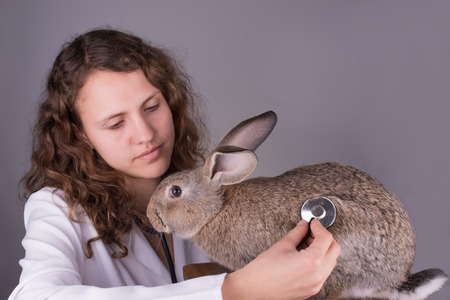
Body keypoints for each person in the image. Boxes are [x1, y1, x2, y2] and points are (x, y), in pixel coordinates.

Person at [9, 28, 341, 300]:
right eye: (115, 124)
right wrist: (234, 290)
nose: (145, 134)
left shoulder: (207, 197)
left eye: (152, 106)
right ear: (80, 136)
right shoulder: (58, 211)